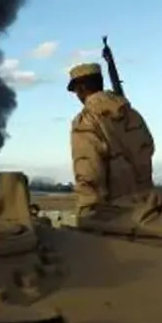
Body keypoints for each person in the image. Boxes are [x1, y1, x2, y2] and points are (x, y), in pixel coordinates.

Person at [66, 63, 155, 215]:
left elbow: (89, 169)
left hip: (113, 213)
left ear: (81, 88)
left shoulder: (86, 119)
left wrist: (87, 211)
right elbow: (148, 149)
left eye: (76, 91)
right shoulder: (133, 115)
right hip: (147, 207)